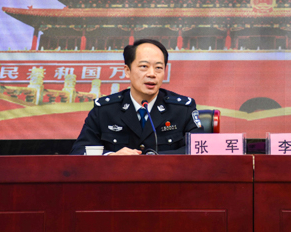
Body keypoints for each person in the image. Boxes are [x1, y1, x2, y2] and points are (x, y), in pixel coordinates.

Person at [70, 39, 203, 155]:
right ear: (127, 71)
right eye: (144, 66)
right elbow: (79, 151)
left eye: (158, 67)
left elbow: (200, 149)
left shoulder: (182, 109)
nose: (152, 74)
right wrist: (111, 156)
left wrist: (154, 159)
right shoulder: (105, 110)